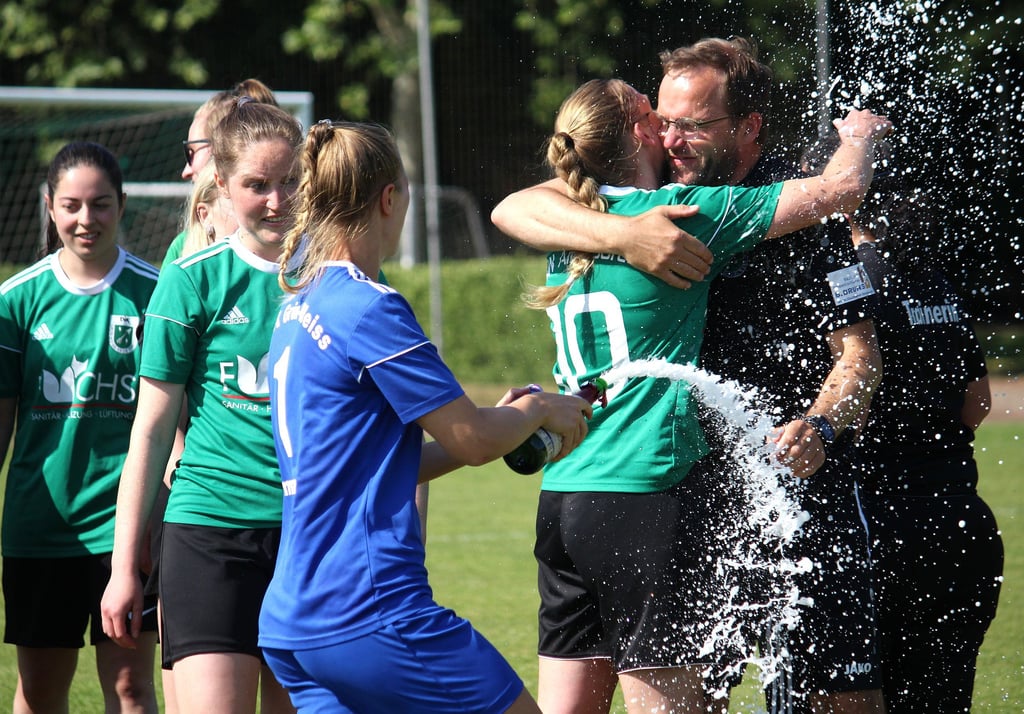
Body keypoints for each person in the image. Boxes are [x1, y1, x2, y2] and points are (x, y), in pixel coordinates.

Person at [491, 37, 888, 713]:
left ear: (748, 126)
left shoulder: (589, 219)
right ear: (640, 132)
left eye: (692, 124)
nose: (673, 137)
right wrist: (858, 135)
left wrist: (819, 422)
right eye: (662, 120)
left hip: (773, 491)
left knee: (837, 699)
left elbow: (860, 357)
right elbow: (511, 206)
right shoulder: (672, 210)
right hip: (663, 495)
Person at [257, 120, 593, 713]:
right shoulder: (368, 304)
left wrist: (502, 416)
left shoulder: (297, 306)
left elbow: (383, 462)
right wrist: (539, 408)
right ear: (390, 197)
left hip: (292, 622)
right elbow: (472, 441)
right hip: (369, 607)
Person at [100, 97, 303, 714]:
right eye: (256, 185)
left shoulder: (337, 279)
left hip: (310, 535)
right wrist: (123, 565)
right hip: (209, 533)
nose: (276, 200)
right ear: (222, 182)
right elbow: (151, 431)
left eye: (290, 181)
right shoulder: (191, 280)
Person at [802, 137, 1005, 712]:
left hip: (877, 525)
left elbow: (848, 390)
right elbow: (978, 405)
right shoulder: (931, 275)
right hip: (959, 520)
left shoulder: (844, 279)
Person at [0, 141, 160, 713]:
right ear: (49, 206)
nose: (85, 219)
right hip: (39, 529)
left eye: (100, 205)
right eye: (71, 205)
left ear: (122, 206)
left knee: (131, 688)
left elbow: (173, 424)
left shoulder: (158, 295)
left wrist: (156, 519)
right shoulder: (16, 301)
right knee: (40, 692)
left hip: (126, 530)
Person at [163, 78, 278, 265]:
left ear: (223, 148)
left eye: (191, 152)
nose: (186, 170)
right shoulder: (184, 252)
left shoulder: (301, 246)